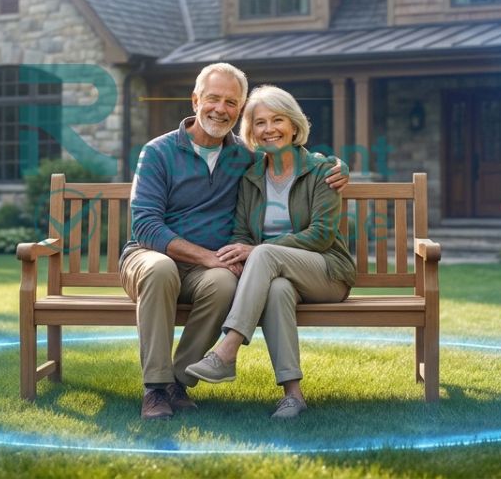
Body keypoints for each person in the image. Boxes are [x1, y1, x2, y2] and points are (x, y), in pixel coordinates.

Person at [122, 63, 348, 420]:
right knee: (162, 269)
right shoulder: (157, 152)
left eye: (231, 102)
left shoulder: (245, 156)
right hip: (151, 255)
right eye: (213, 98)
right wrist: (206, 256)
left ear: (239, 109)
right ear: (195, 100)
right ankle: (154, 389)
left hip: (210, 266)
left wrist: (337, 165)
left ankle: (178, 382)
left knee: (225, 282)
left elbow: (292, 157)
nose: (220, 109)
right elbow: (145, 225)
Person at [184, 85, 355, 419]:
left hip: (326, 273)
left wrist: (259, 250)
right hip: (278, 277)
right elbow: (242, 234)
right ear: (252, 132)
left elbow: (321, 236)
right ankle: (292, 394)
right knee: (275, 288)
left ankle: (227, 350)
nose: (269, 129)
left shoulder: (323, 171)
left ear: (294, 126)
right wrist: (235, 255)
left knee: (262, 254)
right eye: (260, 123)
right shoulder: (251, 177)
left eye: (277, 120)